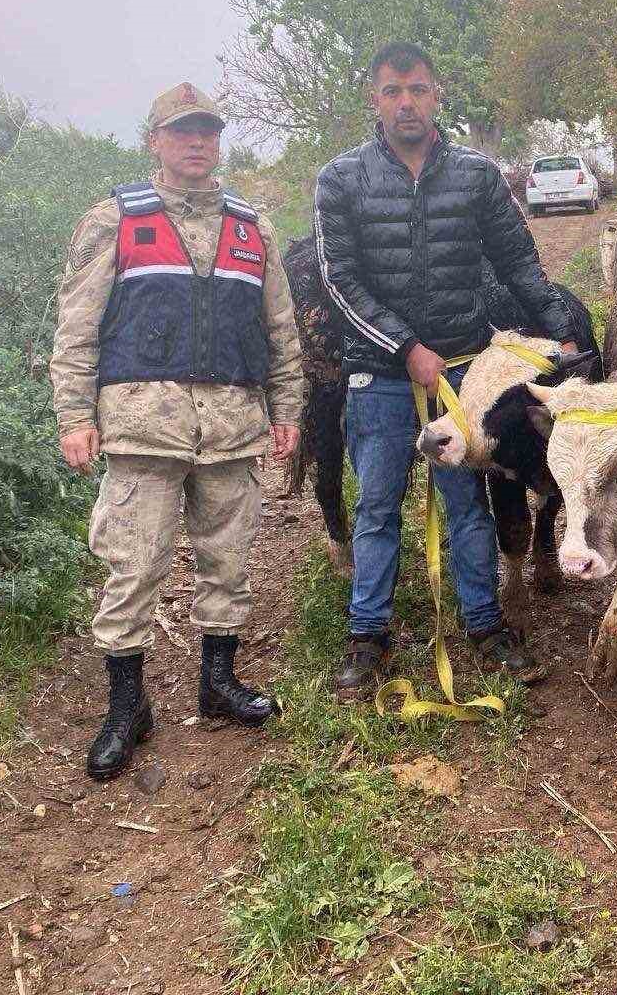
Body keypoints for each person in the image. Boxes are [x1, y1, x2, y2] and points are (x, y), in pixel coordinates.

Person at [51, 82, 303, 780]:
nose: (198, 143)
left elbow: (280, 331)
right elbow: (75, 332)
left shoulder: (253, 227)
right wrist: (75, 417)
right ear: (154, 140)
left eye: (208, 132)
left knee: (229, 563)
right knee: (134, 569)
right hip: (142, 432)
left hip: (231, 428)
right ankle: (127, 708)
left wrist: (287, 412)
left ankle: (218, 686)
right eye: (182, 131)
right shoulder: (112, 221)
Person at [315, 42, 579, 698]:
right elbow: (337, 279)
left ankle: (487, 628)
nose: (407, 102)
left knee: (469, 507)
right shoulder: (340, 179)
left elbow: (518, 262)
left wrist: (562, 327)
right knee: (377, 506)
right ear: (373, 100)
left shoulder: (477, 176)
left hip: (461, 375)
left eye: (419, 90)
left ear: (437, 96)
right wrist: (405, 347)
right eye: (393, 91)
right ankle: (367, 639)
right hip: (378, 375)